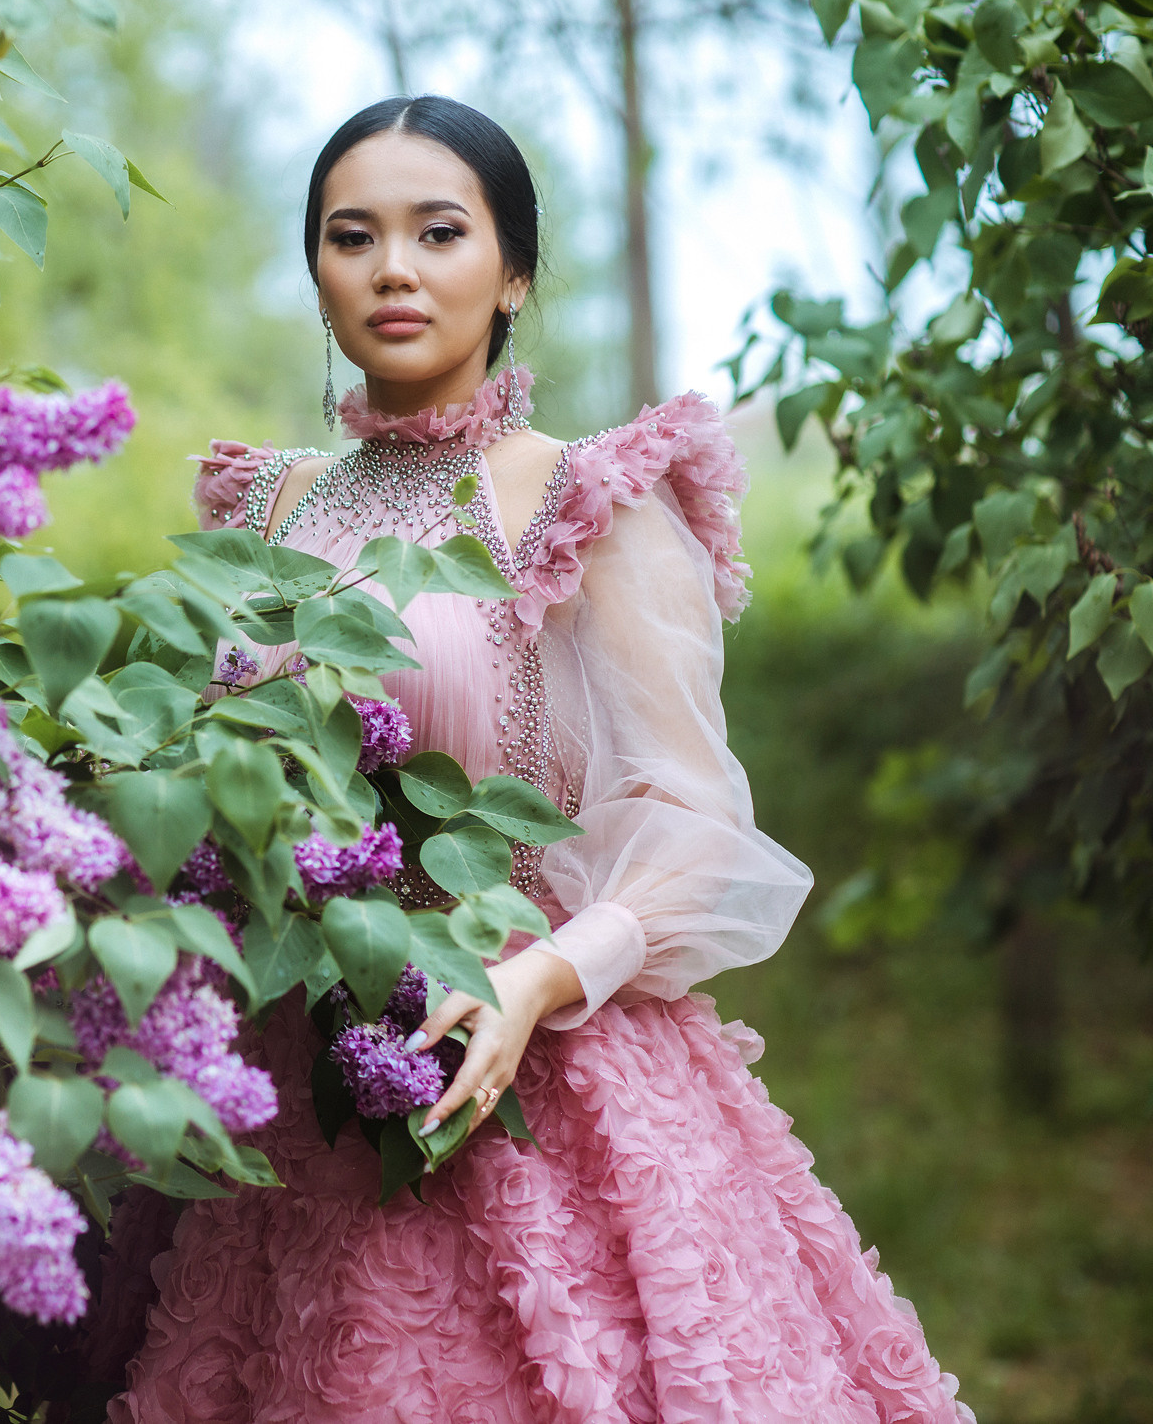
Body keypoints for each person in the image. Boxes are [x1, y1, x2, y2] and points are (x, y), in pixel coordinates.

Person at [106, 97, 972, 1423]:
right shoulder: (265, 508)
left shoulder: (587, 500)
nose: (393, 270)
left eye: (439, 233)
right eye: (353, 236)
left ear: (512, 272)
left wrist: (536, 979)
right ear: (317, 270)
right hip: (294, 1076)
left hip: (540, 1065)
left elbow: (692, 818)